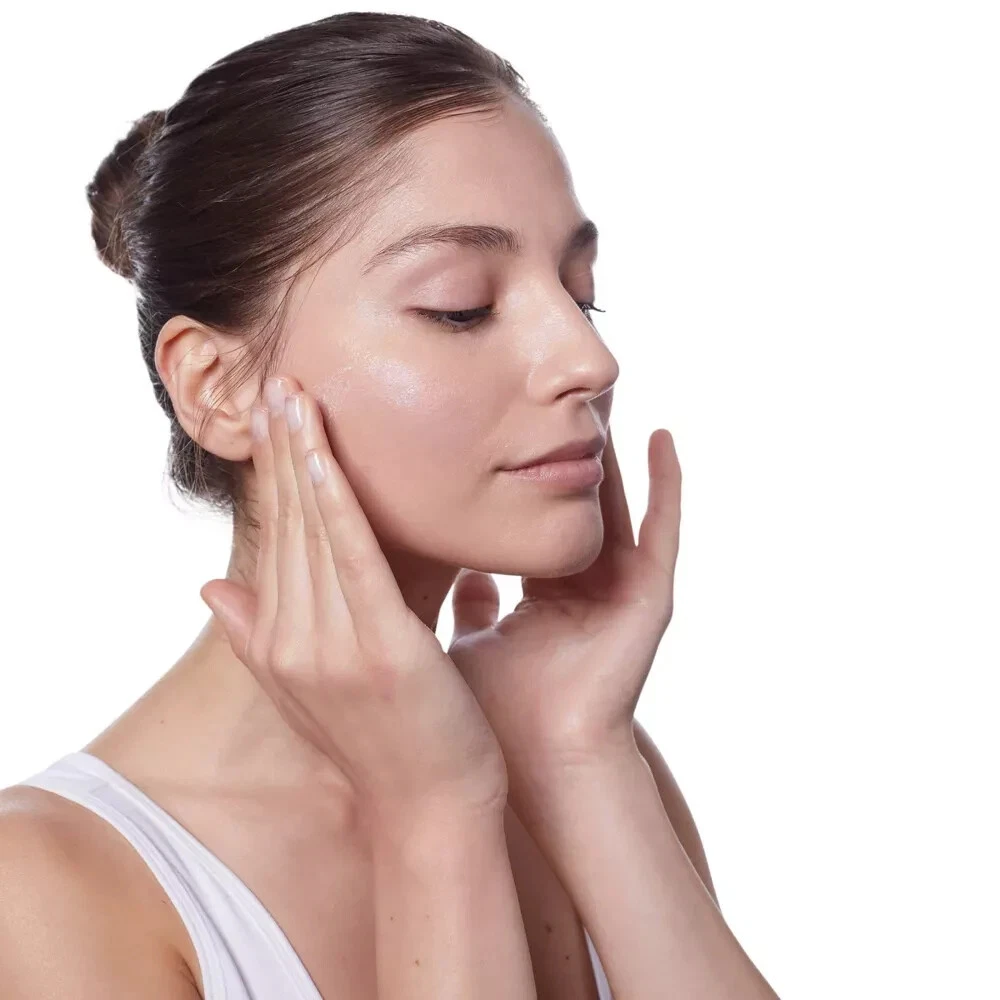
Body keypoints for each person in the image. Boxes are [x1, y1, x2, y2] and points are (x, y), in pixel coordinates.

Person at [0, 11, 776, 999]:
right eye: (462, 306)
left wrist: (584, 758)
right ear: (216, 386)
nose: (589, 359)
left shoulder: (585, 760)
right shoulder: (45, 890)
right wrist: (434, 815)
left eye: (580, 293)